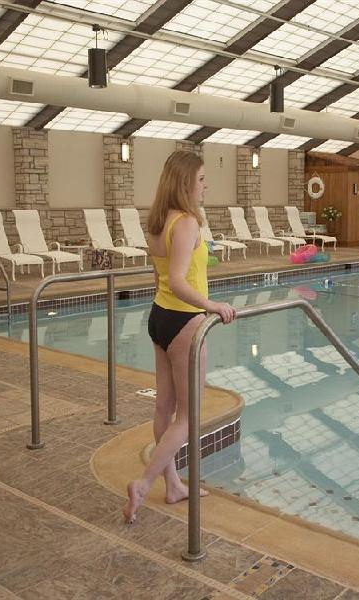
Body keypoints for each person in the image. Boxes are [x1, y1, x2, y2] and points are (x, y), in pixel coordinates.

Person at [123, 151, 236, 523]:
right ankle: (144, 483)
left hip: (160, 317)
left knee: (164, 409)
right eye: (201, 179)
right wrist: (211, 305)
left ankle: (172, 485)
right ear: (186, 183)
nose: (206, 186)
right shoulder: (186, 223)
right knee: (188, 416)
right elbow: (176, 280)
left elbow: (161, 279)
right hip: (186, 320)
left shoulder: (158, 223)